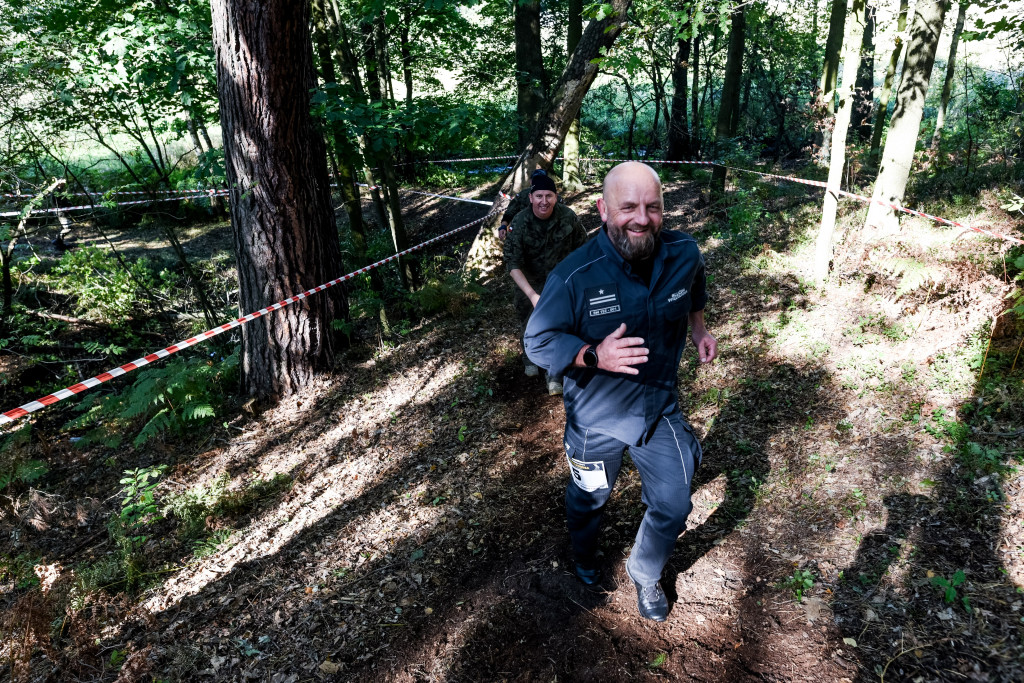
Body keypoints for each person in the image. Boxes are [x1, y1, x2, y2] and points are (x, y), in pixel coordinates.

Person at [524, 161, 717, 622]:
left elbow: (694, 292)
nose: (641, 217)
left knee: (674, 503)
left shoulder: (684, 253)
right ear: (603, 210)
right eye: (628, 206)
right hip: (596, 419)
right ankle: (586, 561)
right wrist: (593, 355)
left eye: (652, 207)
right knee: (588, 498)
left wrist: (699, 330)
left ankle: (645, 571)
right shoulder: (574, 276)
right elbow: (537, 340)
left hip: (658, 407)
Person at [503, 173, 588, 395]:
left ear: (556, 197)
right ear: (530, 198)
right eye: (539, 196)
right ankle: (529, 358)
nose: (544, 201)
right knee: (528, 322)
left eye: (549, 195)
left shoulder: (568, 217)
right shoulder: (520, 223)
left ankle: (554, 374)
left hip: (560, 284)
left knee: (561, 326)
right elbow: (512, 264)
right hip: (528, 284)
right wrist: (532, 295)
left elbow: (584, 252)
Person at [498, 168, 560, 241]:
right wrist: (503, 227)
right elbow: (509, 214)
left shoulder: (554, 197)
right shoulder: (522, 195)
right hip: (526, 237)